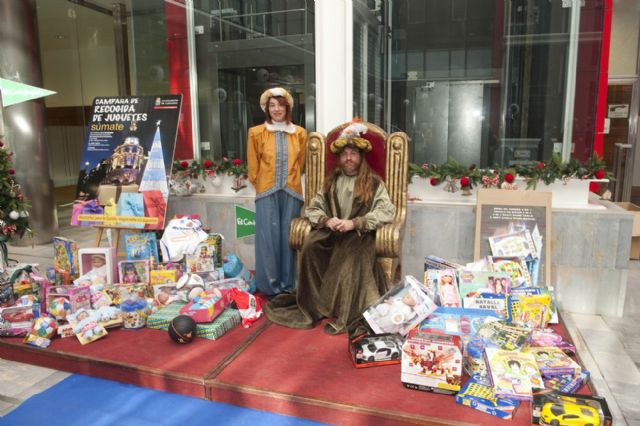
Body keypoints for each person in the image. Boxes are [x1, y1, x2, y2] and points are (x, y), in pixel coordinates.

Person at [265, 121, 396, 335]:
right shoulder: (331, 181)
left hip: (359, 235)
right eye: (344, 154)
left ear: (360, 157)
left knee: (352, 256)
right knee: (310, 245)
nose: (349, 158)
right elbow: (312, 208)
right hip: (332, 232)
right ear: (339, 158)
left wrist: (356, 222)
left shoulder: (373, 182)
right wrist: (327, 221)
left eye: (353, 153)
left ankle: (343, 309)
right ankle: (315, 305)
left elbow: (386, 211)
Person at [247, 87, 307, 296]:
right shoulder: (256, 133)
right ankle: (269, 287)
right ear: (266, 108)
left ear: (287, 106)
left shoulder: (299, 133)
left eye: (280, 105)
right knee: (267, 240)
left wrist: (290, 181)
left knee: (288, 240)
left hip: (291, 192)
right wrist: (265, 185)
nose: (276, 109)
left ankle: (288, 286)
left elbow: (302, 163)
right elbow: (253, 168)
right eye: (272, 105)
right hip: (266, 193)